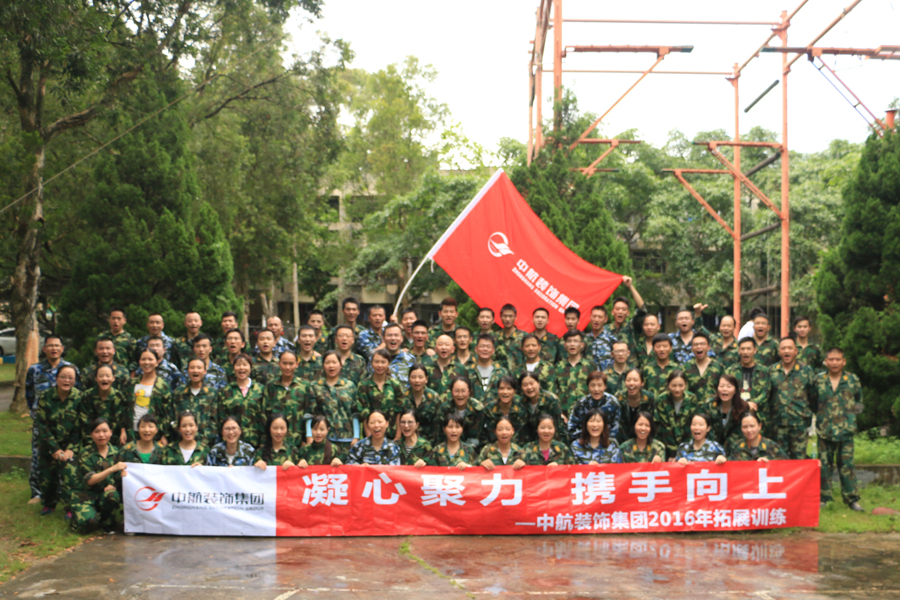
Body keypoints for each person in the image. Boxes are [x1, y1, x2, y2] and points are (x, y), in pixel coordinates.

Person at [26, 335, 81, 503]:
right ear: (44, 349)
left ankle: (62, 492)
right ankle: (37, 493)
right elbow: (29, 394)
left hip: (67, 421)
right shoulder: (34, 369)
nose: (54, 349)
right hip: (44, 421)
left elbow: (78, 393)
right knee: (39, 458)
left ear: (62, 349)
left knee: (66, 458)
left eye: (57, 346)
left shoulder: (71, 369)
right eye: (50, 346)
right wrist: (35, 412)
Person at [815, 347, 864, 511]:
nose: (834, 363)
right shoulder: (818, 380)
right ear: (826, 361)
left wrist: (850, 418)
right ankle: (824, 498)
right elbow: (813, 401)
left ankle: (852, 499)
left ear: (844, 361)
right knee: (824, 465)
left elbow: (859, 401)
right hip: (825, 430)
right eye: (831, 359)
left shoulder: (852, 379)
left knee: (847, 465)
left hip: (846, 430)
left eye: (838, 359)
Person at [34, 364, 85, 517]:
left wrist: (71, 449)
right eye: (63, 377)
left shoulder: (79, 397)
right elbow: (42, 425)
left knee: (71, 476)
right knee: (47, 477)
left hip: (69, 445)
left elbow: (79, 426)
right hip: (49, 444)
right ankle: (49, 504)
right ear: (56, 379)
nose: (66, 380)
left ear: (75, 381)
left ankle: (69, 507)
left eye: (70, 378)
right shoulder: (46, 396)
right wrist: (54, 449)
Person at [69, 418, 125, 534]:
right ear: (91, 434)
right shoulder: (85, 453)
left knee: (112, 495)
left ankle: (107, 523)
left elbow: (119, 477)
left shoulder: (116, 452)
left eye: (105, 431)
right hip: (86, 495)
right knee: (87, 523)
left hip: (105, 494)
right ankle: (84, 516)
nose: (101, 435)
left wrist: (115, 484)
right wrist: (111, 469)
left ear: (111, 432)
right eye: (97, 431)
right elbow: (90, 480)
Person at [767, 336, 816, 459]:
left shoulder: (806, 371)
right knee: (778, 460)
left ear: (796, 351)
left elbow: (813, 395)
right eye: (783, 348)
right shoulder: (772, 370)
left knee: (799, 460)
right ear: (779, 351)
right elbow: (768, 396)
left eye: (790, 348)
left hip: (799, 424)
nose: (786, 351)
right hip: (777, 424)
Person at [305, 351, 360, 456]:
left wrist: (356, 436)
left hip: (347, 438)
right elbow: (310, 414)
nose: (331, 366)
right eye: (327, 362)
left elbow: (355, 413)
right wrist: (309, 436)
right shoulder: (315, 386)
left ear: (340, 364)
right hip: (323, 438)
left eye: (334, 362)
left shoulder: (349, 386)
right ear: (323, 365)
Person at [118, 348, 171, 445]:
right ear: (139, 362)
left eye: (150, 359)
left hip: (154, 434)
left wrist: (164, 435)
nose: (147, 362)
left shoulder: (162, 386)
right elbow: (124, 408)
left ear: (157, 362)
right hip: (132, 433)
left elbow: (168, 412)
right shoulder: (131, 383)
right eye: (143, 359)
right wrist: (123, 430)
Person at [654, 370, 703, 459]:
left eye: (681, 385)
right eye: (674, 385)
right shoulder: (661, 400)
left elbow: (691, 426)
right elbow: (664, 427)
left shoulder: (692, 399)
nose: (677, 389)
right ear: (668, 385)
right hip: (666, 448)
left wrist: (683, 452)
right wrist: (673, 454)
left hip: (688, 448)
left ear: (686, 385)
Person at [170, 358, 218, 446]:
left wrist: (204, 441)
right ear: (187, 371)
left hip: (205, 443)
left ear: (205, 371)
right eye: (192, 368)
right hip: (182, 441)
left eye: (199, 368)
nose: (195, 370)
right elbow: (174, 416)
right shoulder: (179, 392)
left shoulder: (211, 393)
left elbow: (214, 421)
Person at [357, 349, 404, 437]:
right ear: (372, 363)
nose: (379, 365)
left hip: (391, 432)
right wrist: (369, 436)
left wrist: (398, 433)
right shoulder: (364, 385)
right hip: (372, 431)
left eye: (383, 362)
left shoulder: (395, 384)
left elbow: (399, 410)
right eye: (376, 362)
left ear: (388, 363)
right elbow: (364, 412)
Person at [567, 371, 621, 442]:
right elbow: (571, 428)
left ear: (605, 386)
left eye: (599, 385)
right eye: (593, 385)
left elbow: (615, 429)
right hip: (584, 441)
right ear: (588, 387)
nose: (596, 389)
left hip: (606, 442)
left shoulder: (613, 403)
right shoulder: (581, 404)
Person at [434, 376, 484, 448]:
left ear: (469, 392)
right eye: (456, 391)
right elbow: (440, 435)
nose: (460, 395)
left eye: (463, 391)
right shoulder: (444, 409)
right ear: (451, 392)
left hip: (471, 447)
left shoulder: (477, 408)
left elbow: (476, 436)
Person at [726, 337, 773, 413]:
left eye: (748, 349)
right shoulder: (730, 371)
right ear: (738, 351)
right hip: (736, 413)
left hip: (758, 413)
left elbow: (766, 393)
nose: (745, 352)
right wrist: (744, 405)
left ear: (755, 350)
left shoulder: (764, 371)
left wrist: (750, 405)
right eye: (743, 349)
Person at [708, 373, 750, 454]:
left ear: (735, 390)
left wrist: (725, 450)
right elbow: (708, 430)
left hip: (735, 447)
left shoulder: (743, 407)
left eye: (729, 386)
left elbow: (739, 432)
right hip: (711, 448)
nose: (724, 389)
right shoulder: (709, 405)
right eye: (721, 386)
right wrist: (716, 448)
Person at [555, 329, 595, 413]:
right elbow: (554, 393)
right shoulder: (558, 367)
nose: (572, 344)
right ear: (565, 345)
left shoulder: (590, 366)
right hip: (563, 414)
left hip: (586, 413)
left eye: (576, 341)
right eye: (569, 341)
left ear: (582, 345)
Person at [398, 364, 441, 441]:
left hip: (429, 442)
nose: (417, 380)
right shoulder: (403, 397)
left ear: (426, 379)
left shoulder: (434, 397)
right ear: (409, 379)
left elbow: (437, 426)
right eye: (413, 377)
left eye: (420, 377)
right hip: (407, 440)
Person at [518, 373, 563, 445]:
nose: (529, 387)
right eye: (525, 385)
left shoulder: (551, 400)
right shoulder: (521, 402)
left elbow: (558, 427)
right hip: (531, 444)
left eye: (531, 383)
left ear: (538, 383)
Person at [481, 375, 527, 446]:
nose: (505, 392)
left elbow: (520, 434)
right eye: (502, 388)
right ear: (498, 390)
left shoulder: (521, 409)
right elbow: (490, 434)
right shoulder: (490, 409)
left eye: (509, 389)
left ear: (514, 391)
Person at [615, 368, 655, 445]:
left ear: (642, 383)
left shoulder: (649, 398)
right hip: (622, 441)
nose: (631, 383)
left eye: (635, 380)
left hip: (644, 439)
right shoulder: (619, 397)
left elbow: (652, 423)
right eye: (628, 380)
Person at [466, 333, 509, 402]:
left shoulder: (501, 371)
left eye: (488, 347)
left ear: (493, 350)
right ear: (476, 349)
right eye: (482, 346)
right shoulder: (467, 370)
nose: (485, 349)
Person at [264, 351, 305, 419]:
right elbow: (264, 411)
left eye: (291, 364)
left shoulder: (304, 386)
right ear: (279, 364)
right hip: (276, 425)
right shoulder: (271, 386)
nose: (287, 367)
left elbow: (310, 412)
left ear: (297, 364)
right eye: (284, 363)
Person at [684, 333, 723, 400]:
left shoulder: (718, 367)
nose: (699, 347)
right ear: (692, 348)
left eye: (702, 344)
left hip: (713, 405)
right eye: (696, 344)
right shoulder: (685, 368)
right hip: (692, 405)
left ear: (708, 347)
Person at [642, 333, 678, 398]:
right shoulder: (647, 369)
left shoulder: (677, 369)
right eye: (658, 347)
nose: (661, 349)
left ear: (671, 348)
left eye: (665, 346)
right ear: (653, 349)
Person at [584, 305, 617, 370]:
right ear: (590, 317)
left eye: (600, 317)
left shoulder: (611, 339)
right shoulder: (584, 339)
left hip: (605, 375)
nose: (596, 320)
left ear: (605, 319)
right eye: (594, 316)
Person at [498, 303, 526, 371]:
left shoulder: (524, 336)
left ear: (515, 317)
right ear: (500, 317)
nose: (507, 319)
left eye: (510, 316)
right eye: (505, 316)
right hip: (499, 375)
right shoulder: (495, 336)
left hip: (519, 374)